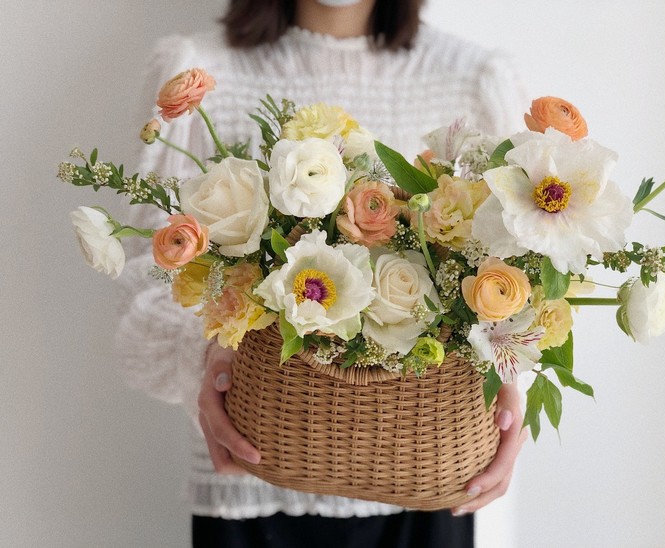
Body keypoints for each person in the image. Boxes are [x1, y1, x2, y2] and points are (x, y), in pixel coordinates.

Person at [116, 0, 528, 546]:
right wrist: (205, 361)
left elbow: (522, 270)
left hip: (425, 482)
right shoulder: (198, 75)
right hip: (252, 480)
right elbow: (145, 275)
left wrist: (510, 385)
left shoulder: (474, 79)